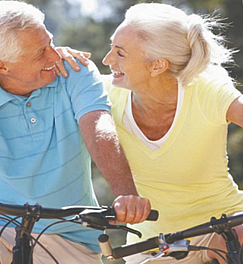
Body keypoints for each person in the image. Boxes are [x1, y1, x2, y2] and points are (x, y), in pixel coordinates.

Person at [0, 1, 151, 264]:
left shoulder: (74, 70)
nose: (54, 56)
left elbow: (98, 126)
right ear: (1, 66)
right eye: (40, 53)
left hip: (69, 235)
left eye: (50, 43)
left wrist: (125, 193)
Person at [100, 3, 243, 264]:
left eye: (120, 53)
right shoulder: (104, 94)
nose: (107, 60)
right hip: (152, 246)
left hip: (225, 229)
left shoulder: (207, 89)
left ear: (157, 66)